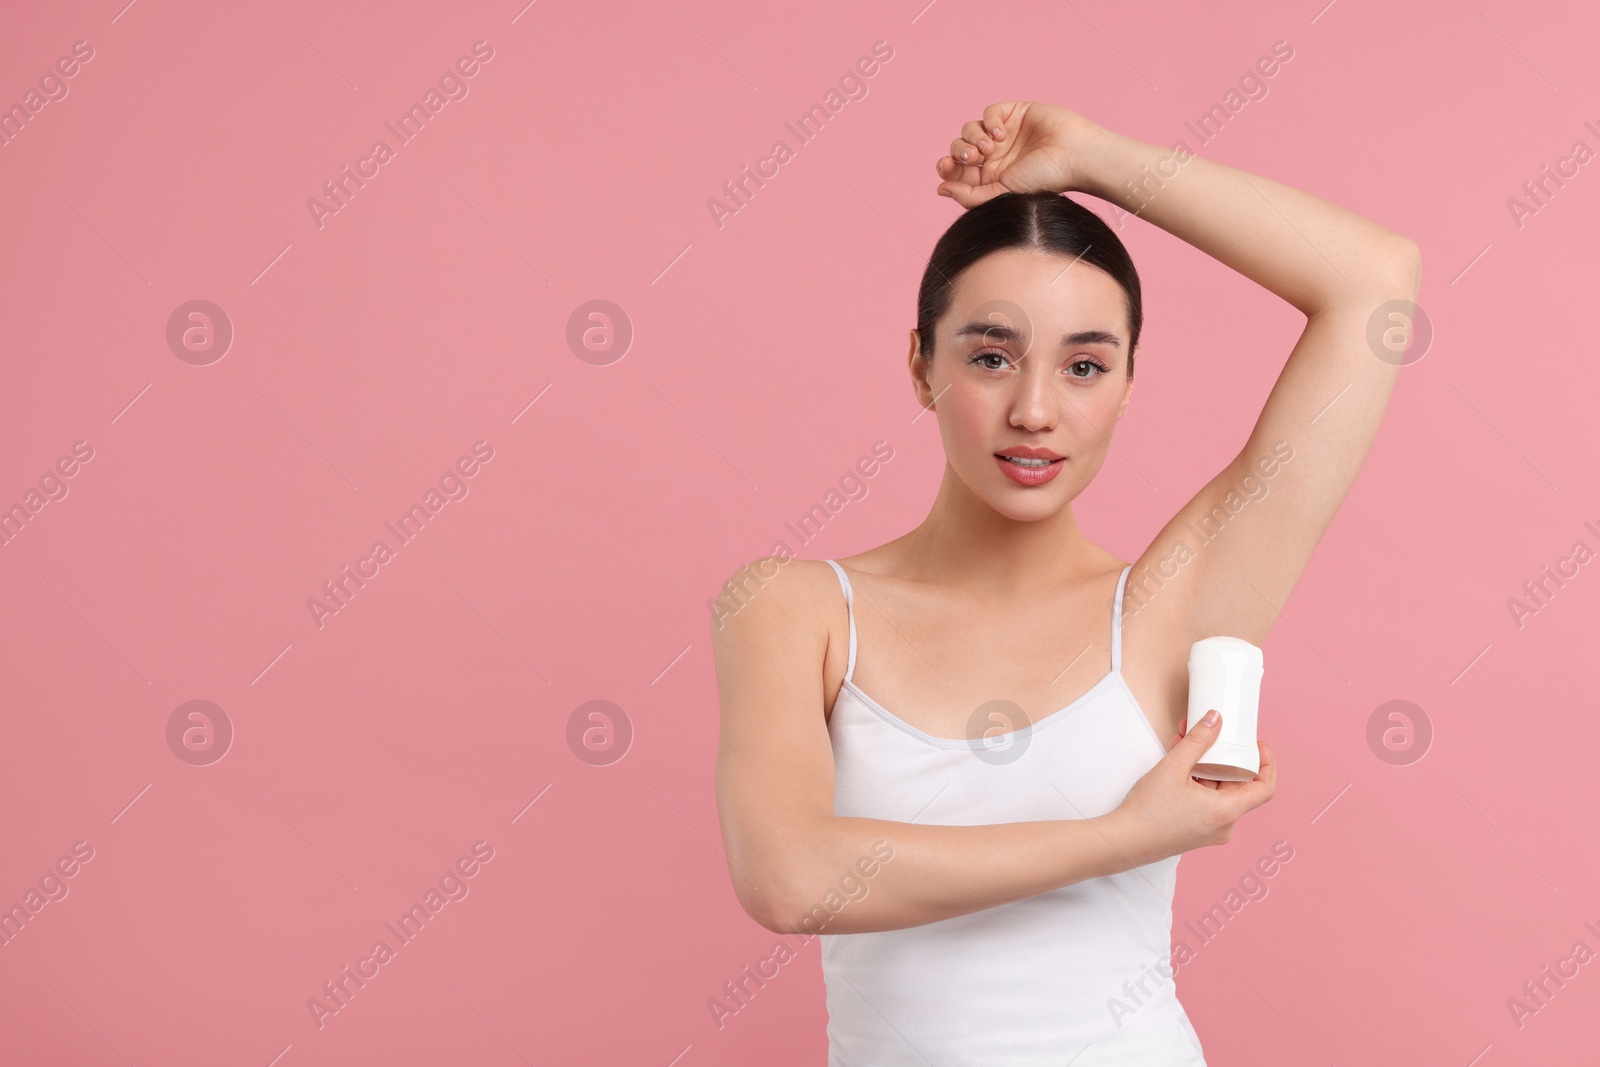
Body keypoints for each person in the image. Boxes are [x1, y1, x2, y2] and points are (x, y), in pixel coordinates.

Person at [711, 100, 1420, 1065]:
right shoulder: (793, 607)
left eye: (1085, 365)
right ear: (921, 366)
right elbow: (790, 878)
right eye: (991, 356)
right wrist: (1125, 835)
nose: (1035, 409)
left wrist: (1095, 160)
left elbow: (1375, 283)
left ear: (1129, 383)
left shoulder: (1167, 608)